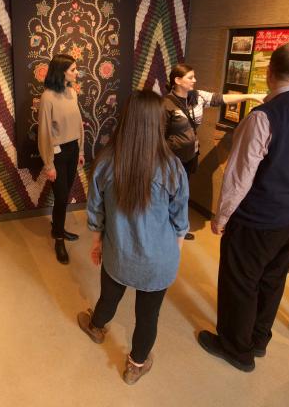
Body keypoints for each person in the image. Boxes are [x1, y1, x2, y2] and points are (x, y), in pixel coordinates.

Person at [197, 42, 289, 372]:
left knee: (240, 281)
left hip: (259, 217)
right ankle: (258, 339)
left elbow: (240, 175)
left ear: (270, 73)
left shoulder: (264, 116)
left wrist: (223, 215)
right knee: (273, 278)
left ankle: (235, 348)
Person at [77, 90, 189, 385]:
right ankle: (135, 365)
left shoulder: (105, 162)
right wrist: (173, 254)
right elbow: (180, 221)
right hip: (159, 260)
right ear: (157, 124)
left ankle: (96, 327)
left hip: (119, 253)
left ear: (125, 120)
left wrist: (98, 242)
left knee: (109, 296)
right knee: (148, 316)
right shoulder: (172, 166)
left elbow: (95, 211)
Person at [164, 64, 264, 239]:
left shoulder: (198, 96)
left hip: (190, 155)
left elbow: (222, 99)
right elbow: (159, 134)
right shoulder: (165, 103)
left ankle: (178, 227)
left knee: (183, 191)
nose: (194, 80)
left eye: (194, 76)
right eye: (190, 77)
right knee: (168, 192)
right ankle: (164, 227)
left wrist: (252, 96)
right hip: (170, 159)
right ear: (177, 80)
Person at [37, 54, 85, 265]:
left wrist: (81, 150)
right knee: (62, 196)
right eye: (73, 70)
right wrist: (49, 164)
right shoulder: (47, 97)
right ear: (61, 71)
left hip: (73, 149)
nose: (77, 73)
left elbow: (79, 124)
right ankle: (58, 238)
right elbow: (44, 133)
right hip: (57, 154)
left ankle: (57, 228)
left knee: (64, 195)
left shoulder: (72, 92)